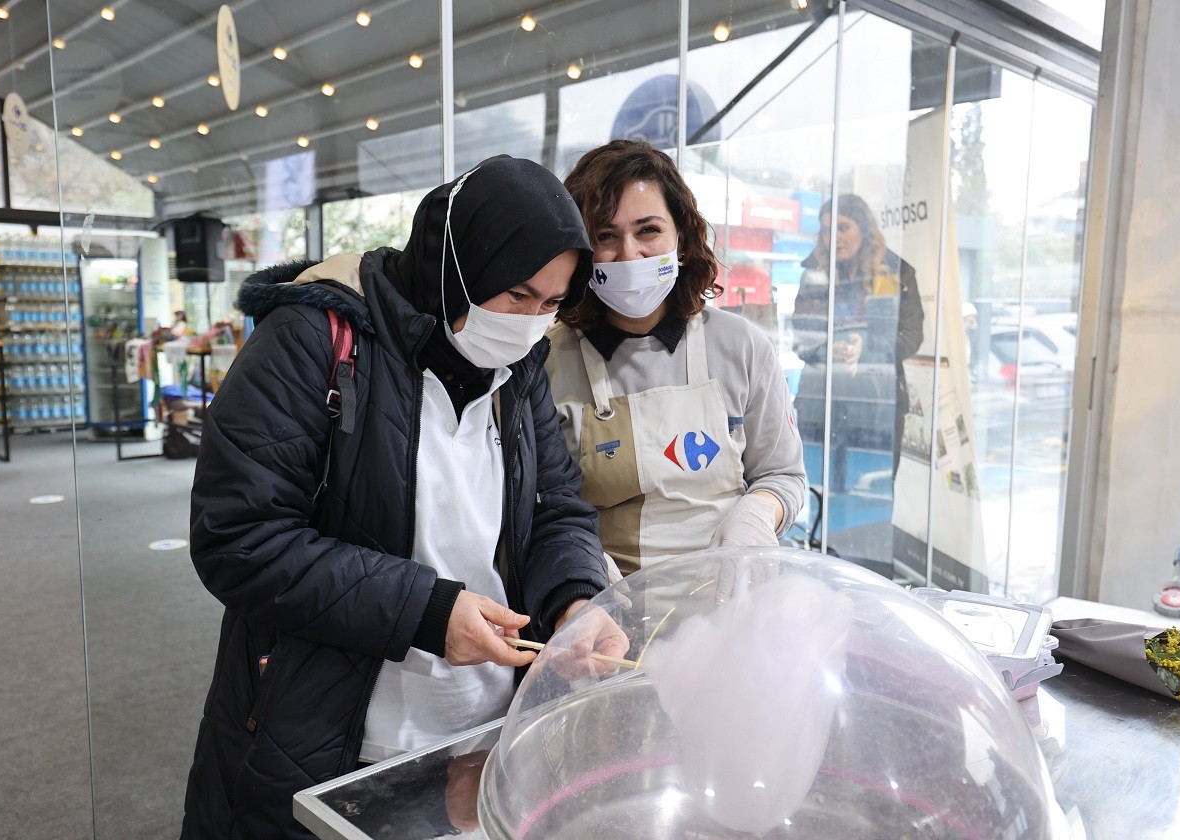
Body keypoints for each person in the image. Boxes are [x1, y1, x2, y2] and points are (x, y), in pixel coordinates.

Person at [181, 156, 627, 840]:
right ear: (457, 267)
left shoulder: (519, 368)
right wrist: (426, 609)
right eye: (515, 294)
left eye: (551, 304)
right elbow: (238, 536)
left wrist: (573, 599)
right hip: (327, 731)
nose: (529, 323)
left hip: (479, 731)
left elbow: (555, 507)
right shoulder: (312, 340)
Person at [544, 140, 806, 575]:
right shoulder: (549, 362)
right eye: (606, 236)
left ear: (680, 239)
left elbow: (783, 475)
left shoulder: (743, 347)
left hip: (729, 597)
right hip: (605, 611)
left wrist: (757, 514)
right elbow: (536, 505)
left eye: (648, 230)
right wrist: (578, 569)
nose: (629, 254)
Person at [791, 194, 924, 491]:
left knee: (868, 500)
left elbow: (912, 335)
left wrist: (868, 351)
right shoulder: (814, 275)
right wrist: (828, 351)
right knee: (818, 492)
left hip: (876, 403)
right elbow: (800, 338)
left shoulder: (893, 273)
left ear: (864, 229)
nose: (834, 238)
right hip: (821, 401)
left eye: (843, 228)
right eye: (826, 230)